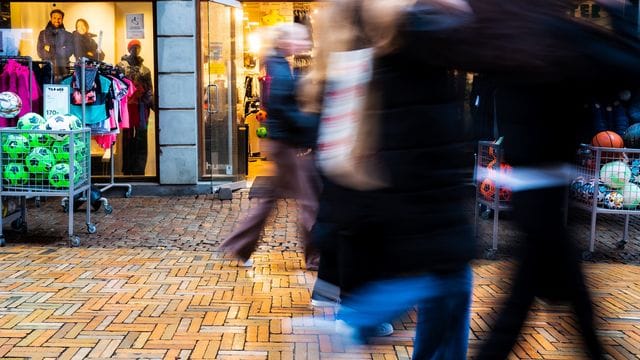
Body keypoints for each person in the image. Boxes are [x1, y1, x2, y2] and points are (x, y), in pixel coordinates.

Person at [299, 0, 476, 357]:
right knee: (448, 277)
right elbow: (469, 31)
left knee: (444, 281)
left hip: (399, 188)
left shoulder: (355, 53)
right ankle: (355, 322)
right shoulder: (411, 32)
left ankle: (356, 320)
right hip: (427, 184)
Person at [219, 23, 321, 269]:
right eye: (300, 39)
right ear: (285, 41)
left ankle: (239, 245)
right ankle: (316, 257)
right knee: (308, 200)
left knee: (270, 200)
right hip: (286, 144)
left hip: (282, 142)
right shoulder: (278, 66)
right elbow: (281, 107)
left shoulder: (279, 64)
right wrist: (310, 127)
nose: (304, 42)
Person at [117, 39, 153, 175]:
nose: (135, 50)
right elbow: (117, 87)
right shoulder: (120, 67)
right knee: (127, 138)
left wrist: (153, 104)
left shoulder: (145, 70)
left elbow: (149, 90)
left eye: (138, 47)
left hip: (141, 108)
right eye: (133, 47)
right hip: (126, 107)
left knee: (141, 138)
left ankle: (139, 170)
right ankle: (127, 169)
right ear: (128, 48)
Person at [37, 9, 74, 82]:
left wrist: (50, 49)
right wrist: (61, 49)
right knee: (47, 92)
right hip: (47, 70)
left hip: (63, 71)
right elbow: (40, 52)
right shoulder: (43, 34)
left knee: (63, 92)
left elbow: (69, 51)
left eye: (59, 18)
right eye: (54, 18)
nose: (57, 20)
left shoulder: (68, 35)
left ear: (62, 20)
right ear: (51, 19)